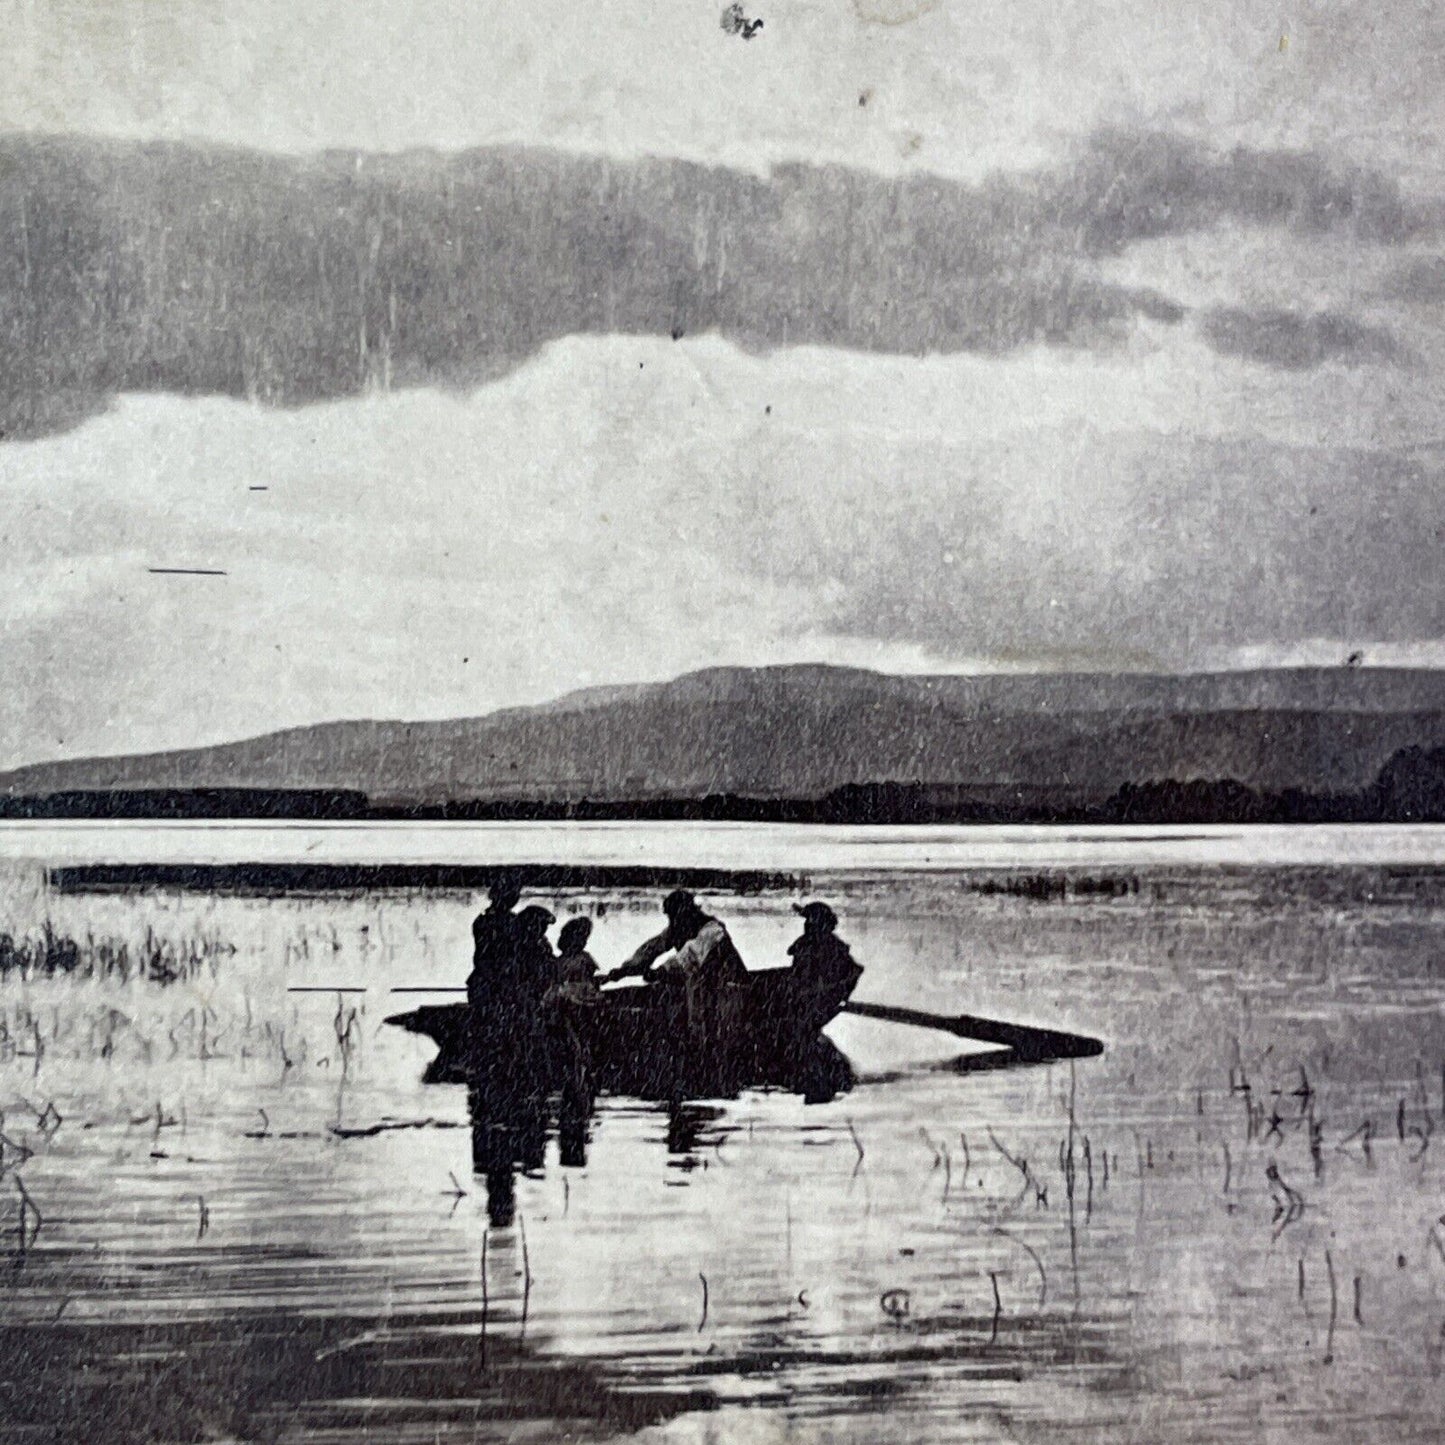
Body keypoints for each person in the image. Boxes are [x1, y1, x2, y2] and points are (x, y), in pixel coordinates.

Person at [614, 890, 748, 1088]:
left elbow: (689, 956)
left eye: (672, 915)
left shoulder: (712, 930)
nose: (671, 920)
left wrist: (659, 972)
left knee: (716, 1033)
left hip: (728, 989)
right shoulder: (677, 928)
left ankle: (710, 1065)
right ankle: (699, 1062)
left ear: (685, 911)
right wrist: (623, 971)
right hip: (700, 989)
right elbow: (651, 949)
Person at [786, 901, 863, 1016]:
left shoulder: (824, 945)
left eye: (809, 920)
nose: (806, 924)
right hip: (810, 996)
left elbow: (852, 972)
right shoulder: (809, 943)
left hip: (811, 999)